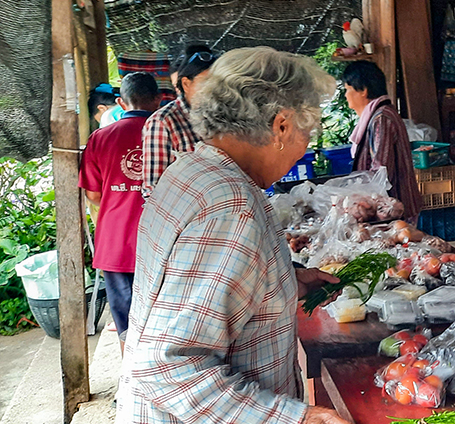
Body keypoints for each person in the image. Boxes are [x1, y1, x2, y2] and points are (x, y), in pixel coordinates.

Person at [116, 47, 351, 424]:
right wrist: (296, 418)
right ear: (281, 126)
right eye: (308, 131)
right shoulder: (231, 207)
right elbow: (167, 367)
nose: (306, 144)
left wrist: (285, 282)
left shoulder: (192, 168)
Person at [78, 73, 162, 348]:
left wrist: (120, 200)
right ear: (159, 100)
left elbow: (93, 193)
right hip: (164, 243)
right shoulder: (167, 136)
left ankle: (132, 386)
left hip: (116, 244)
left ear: (120, 103)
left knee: (128, 326)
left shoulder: (100, 138)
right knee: (166, 323)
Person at [342, 60, 422, 220]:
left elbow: (381, 171)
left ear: (363, 90)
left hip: (394, 209)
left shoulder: (381, 118)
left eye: (347, 89)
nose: (345, 96)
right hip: (389, 208)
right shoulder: (377, 115)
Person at [141, 44, 216, 200]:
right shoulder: (163, 122)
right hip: (188, 219)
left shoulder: (223, 115)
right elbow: (153, 190)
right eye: (207, 82)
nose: (215, 89)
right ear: (186, 84)